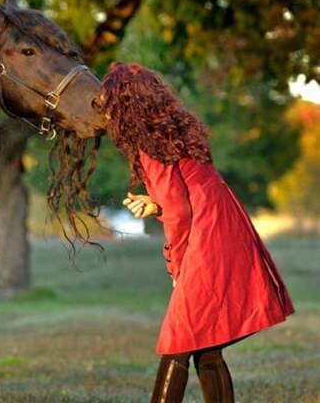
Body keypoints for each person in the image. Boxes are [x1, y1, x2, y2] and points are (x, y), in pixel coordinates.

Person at [97, 62, 295, 403]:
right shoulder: (172, 133)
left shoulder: (149, 146)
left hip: (208, 239)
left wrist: (176, 265)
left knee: (179, 339)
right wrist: (155, 205)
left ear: (125, 107)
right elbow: (185, 194)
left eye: (109, 106)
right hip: (225, 228)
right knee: (206, 344)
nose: (106, 115)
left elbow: (181, 211)